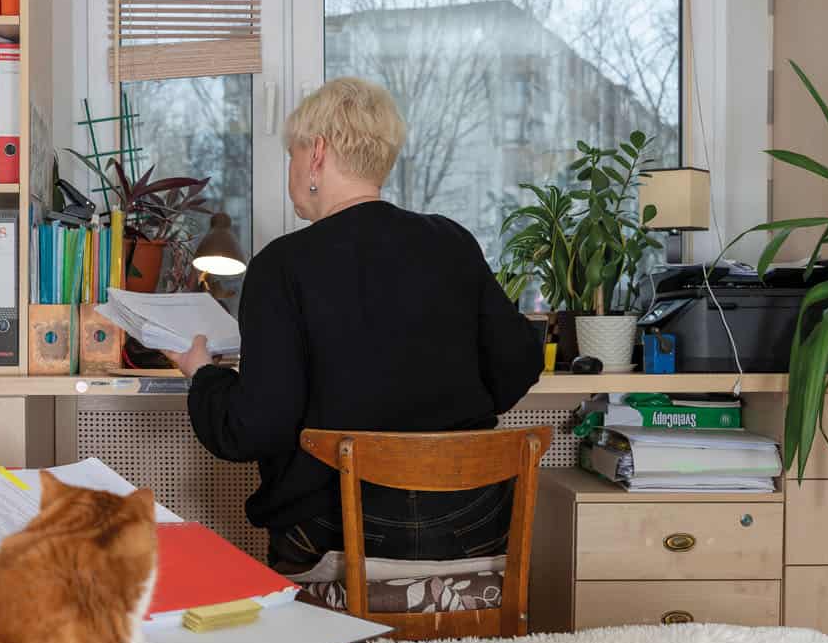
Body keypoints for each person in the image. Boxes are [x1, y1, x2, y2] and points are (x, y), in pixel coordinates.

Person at [163, 77, 543, 575]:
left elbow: (250, 431)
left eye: (293, 155)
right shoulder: (451, 242)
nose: (292, 170)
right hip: (470, 529)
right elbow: (518, 365)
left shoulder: (283, 266)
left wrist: (202, 374)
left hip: (335, 537)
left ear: (316, 154)